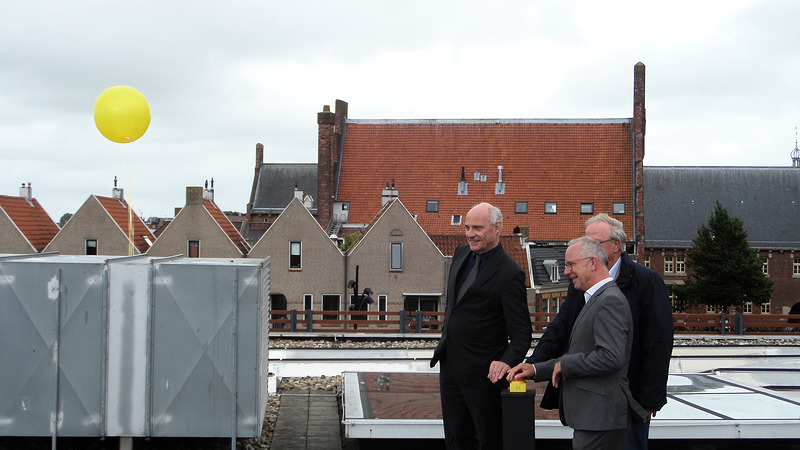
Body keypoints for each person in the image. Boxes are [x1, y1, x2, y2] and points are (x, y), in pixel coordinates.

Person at [531, 213, 673, 450]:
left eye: (595, 243)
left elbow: (658, 343)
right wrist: (533, 365)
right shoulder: (581, 281)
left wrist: (650, 400)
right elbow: (561, 328)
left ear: (616, 245)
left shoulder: (646, 281)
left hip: (631, 398)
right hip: (593, 402)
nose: (587, 247)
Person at [507, 237, 647, 450]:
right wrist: (534, 369)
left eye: (571, 264)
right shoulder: (596, 298)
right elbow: (582, 353)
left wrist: (566, 366)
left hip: (600, 418)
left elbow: (611, 357)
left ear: (592, 263)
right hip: (594, 419)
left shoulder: (609, 300)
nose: (566, 271)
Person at [430, 202, 531, 450]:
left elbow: (522, 333)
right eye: (467, 227)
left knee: (488, 441)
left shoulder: (510, 274)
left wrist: (506, 361)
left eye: (477, 227)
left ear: (497, 228)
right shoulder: (461, 253)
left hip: (483, 377)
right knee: (455, 439)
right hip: (451, 368)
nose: (470, 233)